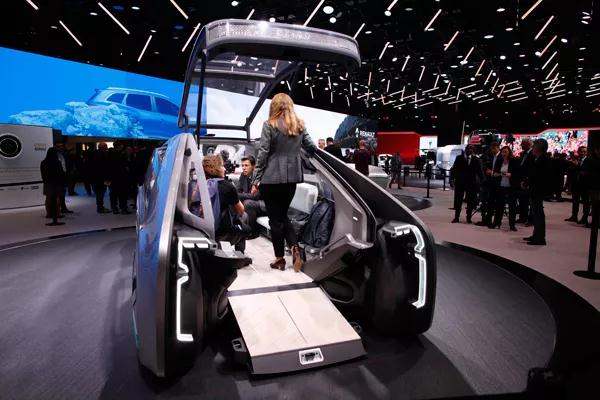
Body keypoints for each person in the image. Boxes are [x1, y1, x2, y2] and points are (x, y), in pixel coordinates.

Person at [251, 93, 316, 272]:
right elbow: (311, 146)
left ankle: (280, 259)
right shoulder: (299, 125)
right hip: (292, 178)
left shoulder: (269, 124)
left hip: (271, 178)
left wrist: (256, 179)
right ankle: (295, 247)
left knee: (275, 219)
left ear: (274, 106)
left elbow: (263, 153)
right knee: (282, 215)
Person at [523, 139, 551, 245]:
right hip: (536, 190)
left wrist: (527, 183)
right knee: (536, 214)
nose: (532, 148)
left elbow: (538, 176)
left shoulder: (543, 160)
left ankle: (539, 238)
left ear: (539, 148)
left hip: (537, 190)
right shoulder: (539, 159)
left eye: (534, 146)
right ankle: (536, 235)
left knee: (538, 214)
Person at [450, 145, 483, 224]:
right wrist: (451, 179)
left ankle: (468, 218)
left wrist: (482, 181)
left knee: (470, 201)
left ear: (473, 150)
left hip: (471, 183)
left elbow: (480, 171)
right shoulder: (459, 158)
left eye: (472, 149)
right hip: (460, 182)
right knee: (458, 200)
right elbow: (454, 169)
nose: (470, 150)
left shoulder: (476, 159)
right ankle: (456, 217)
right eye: (468, 148)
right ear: (465, 149)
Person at [490, 146, 519, 231]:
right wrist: (497, 174)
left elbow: (518, 173)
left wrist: (511, 174)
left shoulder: (514, 161)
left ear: (509, 152)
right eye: (502, 152)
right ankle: (496, 222)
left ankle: (512, 225)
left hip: (511, 187)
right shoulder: (499, 161)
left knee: (512, 206)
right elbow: (495, 172)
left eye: (505, 152)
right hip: (501, 186)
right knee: (499, 206)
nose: (504, 154)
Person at [236, 155, 267, 231]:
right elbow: (238, 190)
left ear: (253, 166)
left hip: (264, 204)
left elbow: (255, 196)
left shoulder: (259, 176)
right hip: (252, 202)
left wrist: (238, 195)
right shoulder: (243, 175)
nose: (244, 168)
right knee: (233, 199)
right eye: (242, 165)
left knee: (247, 203)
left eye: (246, 165)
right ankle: (235, 224)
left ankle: (251, 231)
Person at [40, 147, 66, 226]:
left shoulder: (43, 162)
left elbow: (43, 173)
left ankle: (49, 213)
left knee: (48, 198)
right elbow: (61, 173)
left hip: (48, 183)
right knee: (57, 198)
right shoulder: (57, 162)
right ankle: (57, 213)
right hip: (57, 183)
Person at [476, 142, 500, 227]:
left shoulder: (500, 157)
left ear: (497, 147)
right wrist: (486, 169)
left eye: (493, 148)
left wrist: (492, 172)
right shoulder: (489, 156)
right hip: (488, 182)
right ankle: (486, 220)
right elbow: (485, 166)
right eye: (491, 149)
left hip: (496, 183)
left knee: (493, 203)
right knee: (486, 201)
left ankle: (494, 221)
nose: (492, 150)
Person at [565, 146, 590, 226]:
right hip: (576, 184)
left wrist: (576, 166)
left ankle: (584, 218)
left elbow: (585, 171)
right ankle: (574, 216)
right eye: (581, 151)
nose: (582, 153)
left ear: (586, 152)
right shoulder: (576, 159)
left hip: (585, 185)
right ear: (578, 152)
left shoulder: (588, 160)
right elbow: (572, 171)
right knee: (575, 201)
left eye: (584, 151)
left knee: (585, 202)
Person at [108, 142, 131, 214]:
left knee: (113, 194)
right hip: (122, 177)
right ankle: (123, 208)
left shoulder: (109, 154)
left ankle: (114, 208)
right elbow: (125, 165)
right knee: (122, 194)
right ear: (119, 146)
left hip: (113, 177)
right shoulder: (122, 154)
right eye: (121, 145)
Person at [516, 138, 534, 224]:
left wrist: (527, 180)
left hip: (529, 181)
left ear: (528, 144)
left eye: (523, 144)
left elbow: (532, 169)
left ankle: (531, 219)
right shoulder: (523, 154)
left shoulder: (533, 154)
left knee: (531, 201)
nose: (521, 145)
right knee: (522, 200)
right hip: (521, 180)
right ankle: (523, 217)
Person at [90, 142, 111, 213]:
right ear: (102, 147)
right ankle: (100, 208)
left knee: (99, 193)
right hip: (100, 178)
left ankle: (100, 207)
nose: (107, 148)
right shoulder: (100, 155)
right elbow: (102, 168)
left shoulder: (96, 154)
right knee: (100, 193)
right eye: (106, 146)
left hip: (97, 178)